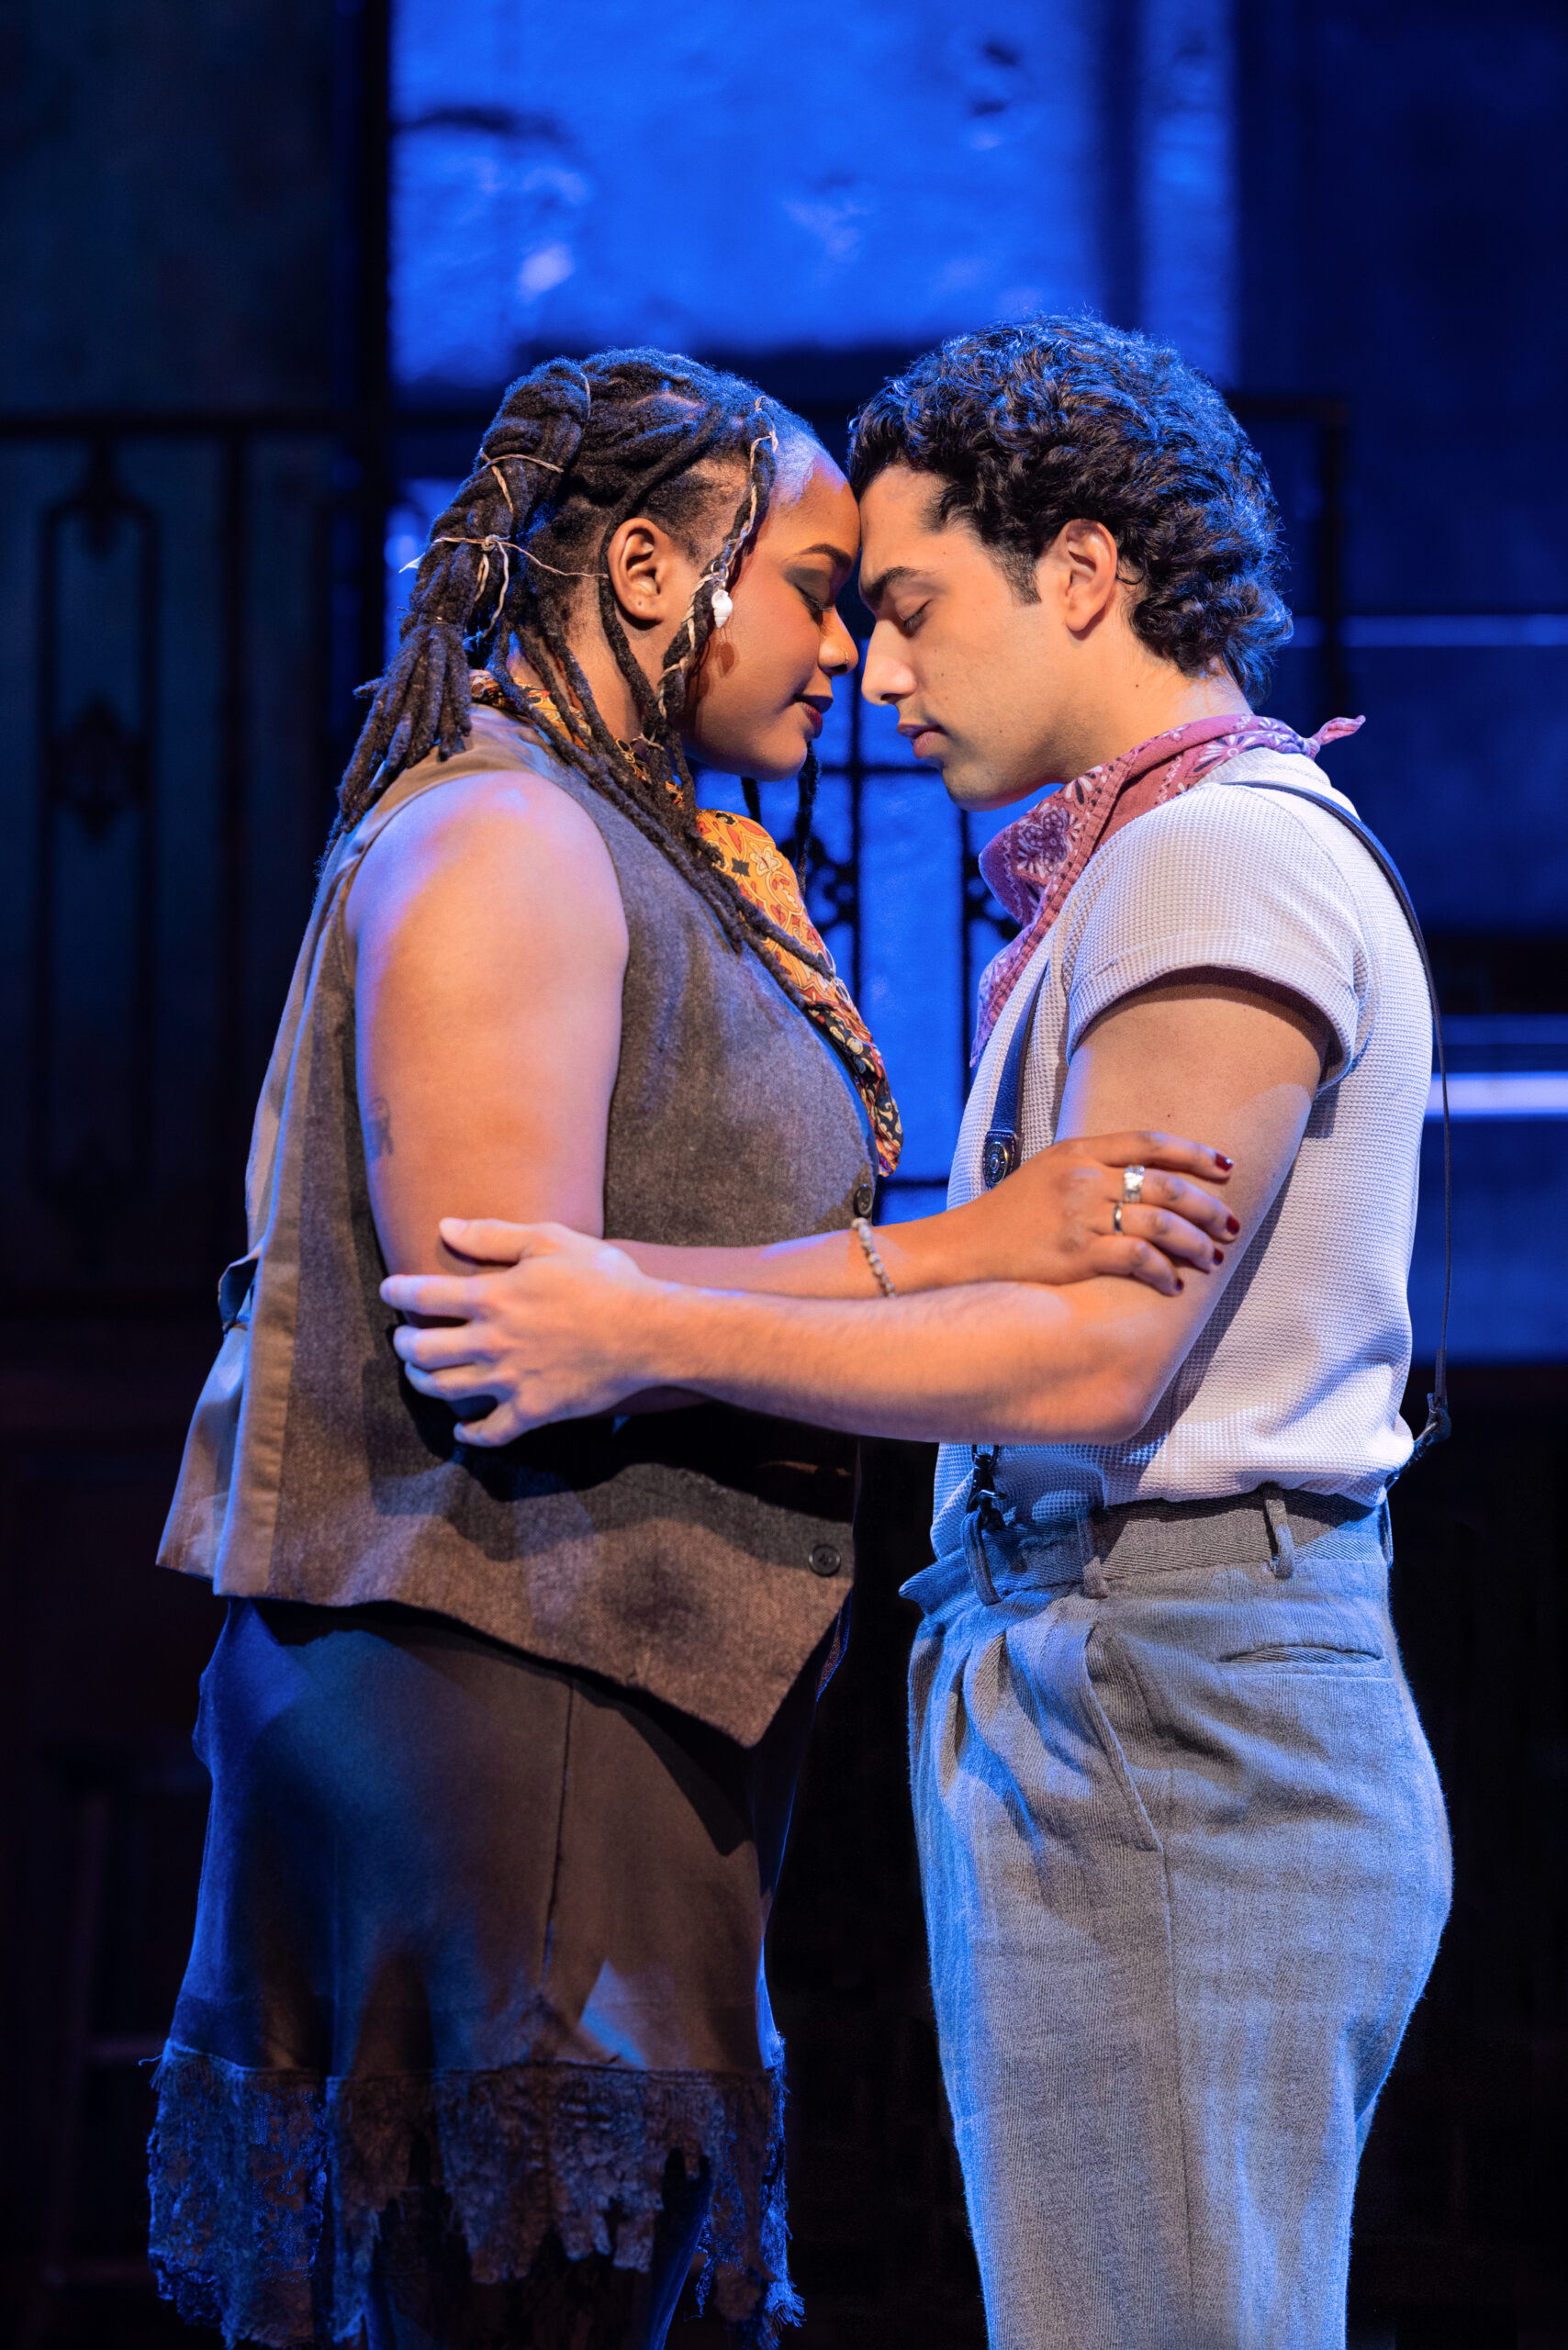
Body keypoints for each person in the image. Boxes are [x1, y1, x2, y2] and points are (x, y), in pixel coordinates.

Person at [148, 344, 1237, 2350]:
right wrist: (971, 1252)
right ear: (652, 572)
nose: (848, 654)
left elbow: (637, 1280)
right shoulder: (508, 837)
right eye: (815, 588)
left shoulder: (618, 839)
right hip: (502, 1685)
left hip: (594, 1676)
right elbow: (503, 1317)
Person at [385, 319, 1454, 2350]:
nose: (875, 671)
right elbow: (1007, 1285)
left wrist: (641, 1332)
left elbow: (1089, 1360)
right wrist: (615, 1300)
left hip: (1175, 1685)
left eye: (909, 604)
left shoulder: (1215, 857)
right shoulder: (1157, 859)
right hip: (1115, 1673)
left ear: (1082, 573)